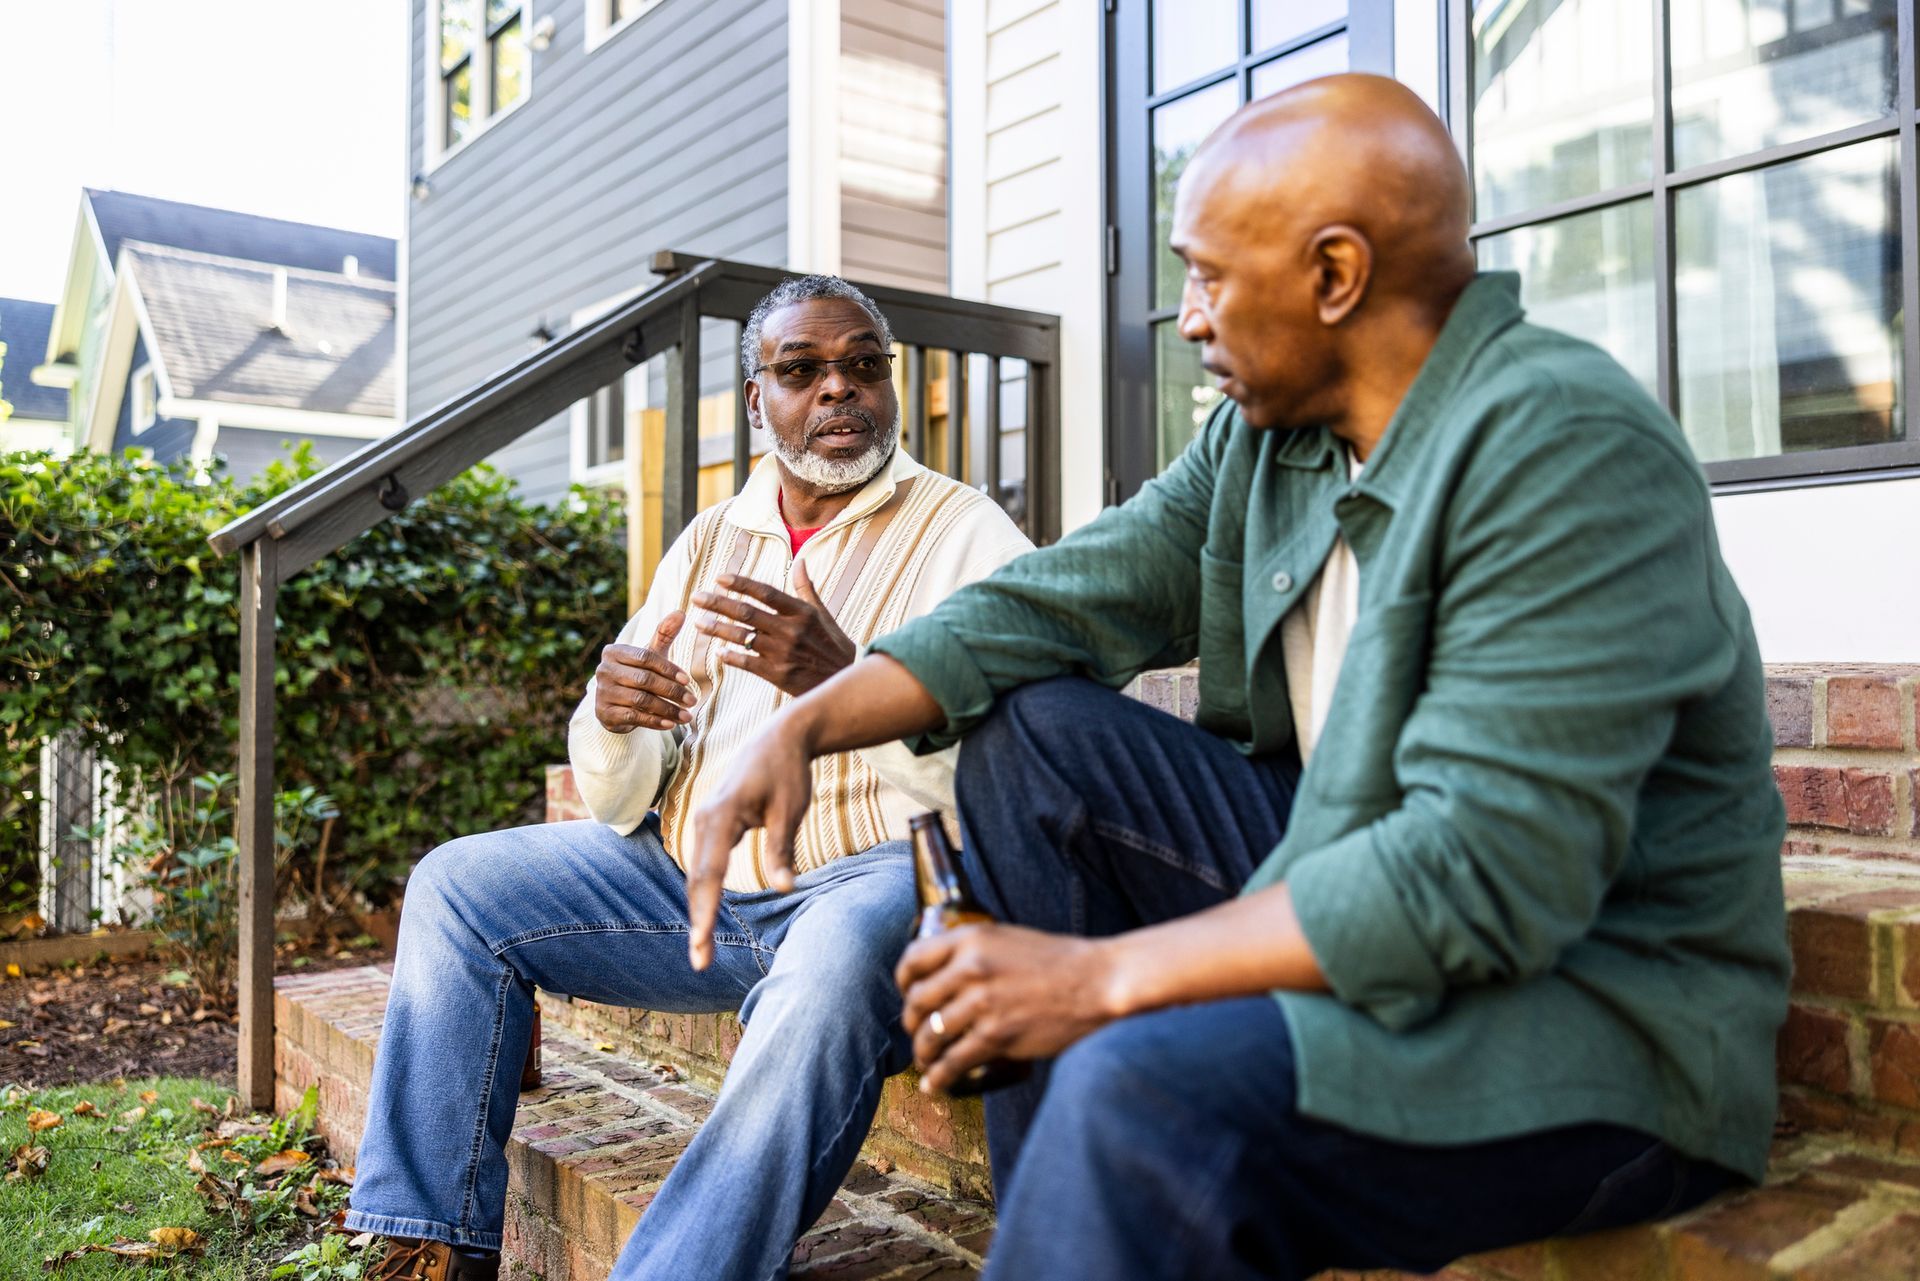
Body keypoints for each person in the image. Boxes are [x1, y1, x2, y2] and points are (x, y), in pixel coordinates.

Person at [689, 76, 1791, 1279]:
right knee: (1032, 733)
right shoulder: (1272, 436)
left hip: (1590, 1017)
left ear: (1334, 275)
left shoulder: (1564, 447)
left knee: (1136, 1086)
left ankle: (1095, 1179)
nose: (1191, 317)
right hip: (1336, 862)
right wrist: (807, 723)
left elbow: (1480, 873)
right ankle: (1063, 1226)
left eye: (1210, 275)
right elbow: (1062, 598)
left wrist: (1101, 980)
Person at [349, 275, 1033, 1281]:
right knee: (458, 886)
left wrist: (852, 686)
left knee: (831, 973)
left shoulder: (969, 536)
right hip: (690, 888)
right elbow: (623, 795)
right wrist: (612, 719)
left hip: (874, 883)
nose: (837, 391)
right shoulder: (712, 540)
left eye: (861, 367)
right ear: (759, 400)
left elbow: (1021, 763)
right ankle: (427, 1248)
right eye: (803, 371)